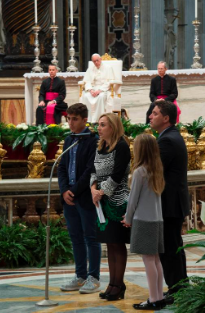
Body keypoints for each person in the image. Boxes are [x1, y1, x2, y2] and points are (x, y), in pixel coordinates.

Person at [58, 103, 101, 294]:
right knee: (76, 238)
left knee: (91, 237)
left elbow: (91, 170)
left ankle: (94, 277)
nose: (70, 122)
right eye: (68, 118)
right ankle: (80, 275)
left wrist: (73, 190)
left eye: (74, 119)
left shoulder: (93, 140)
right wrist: (64, 190)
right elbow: (61, 167)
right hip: (70, 199)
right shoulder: (69, 140)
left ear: (85, 120)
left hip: (84, 197)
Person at [149, 101, 190, 300]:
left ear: (166, 118)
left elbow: (154, 171)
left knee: (170, 249)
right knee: (174, 247)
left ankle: (177, 289)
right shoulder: (171, 136)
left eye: (155, 113)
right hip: (173, 203)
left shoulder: (166, 140)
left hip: (169, 204)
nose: (150, 116)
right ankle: (180, 286)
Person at [122, 134, 166, 311]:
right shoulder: (156, 169)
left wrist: (128, 217)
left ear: (140, 150)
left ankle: (154, 298)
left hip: (143, 219)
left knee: (148, 260)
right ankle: (159, 296)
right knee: (155, 260)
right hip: (157, 219)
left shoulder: (140, 171)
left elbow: (133, 199)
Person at [90, 113, 130, 301]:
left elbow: (118, 174)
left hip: (117, 201)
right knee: (109, 243)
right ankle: (112, 284)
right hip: (102, 203)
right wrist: (92, 189)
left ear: (113, 127)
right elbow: (93, 171)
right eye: (98, 125)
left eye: (103, 125)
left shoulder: (121, 146)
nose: (99, 128)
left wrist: (101, 192)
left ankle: (118, 284)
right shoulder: (100, 146)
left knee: (118, 243)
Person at [81, 54, 114, 123]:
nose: (96, 62)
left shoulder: (108, 68)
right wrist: (90, 90)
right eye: (94, 61)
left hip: (104, 89)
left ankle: (99, 119)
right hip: (93, 88)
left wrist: (100, 90)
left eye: (97, 60)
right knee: (86, 96)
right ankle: (89, 120)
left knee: (101, 97)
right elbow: (87, 81)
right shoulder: (90, 69)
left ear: (100, 59)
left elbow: (110, 81)